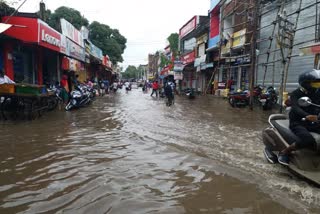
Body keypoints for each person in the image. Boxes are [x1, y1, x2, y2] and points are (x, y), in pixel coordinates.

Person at [278, 69, 320, 166]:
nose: (317, 86)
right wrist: (307, 116)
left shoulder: (317, 92)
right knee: (308, 140)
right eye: (315, 84)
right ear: (305, 83)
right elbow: (296, 108)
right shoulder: (296, 94)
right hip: (298, 122)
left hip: (314, 121)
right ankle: (285, 151)